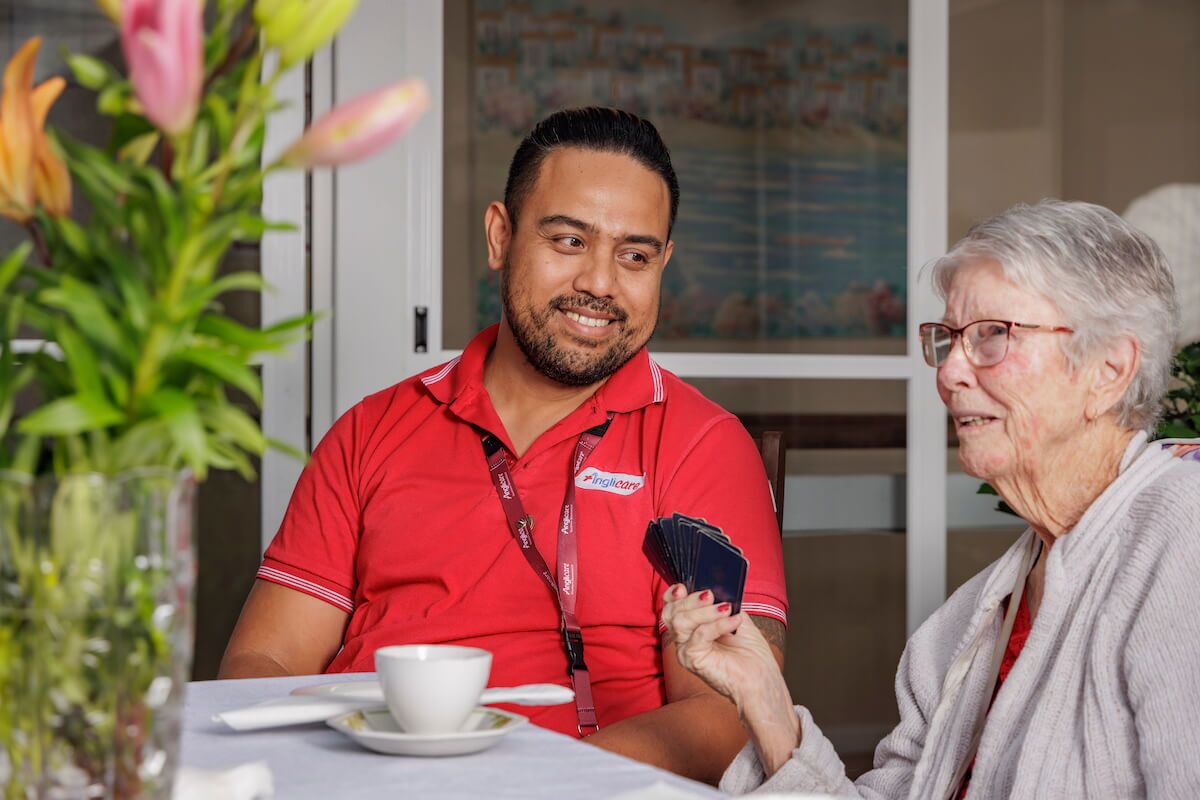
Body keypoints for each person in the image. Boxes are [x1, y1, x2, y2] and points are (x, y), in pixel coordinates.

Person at [219, 107, 789, 784]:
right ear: (500, 236)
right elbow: (262, 667)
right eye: (569, 242)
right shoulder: (370, 431)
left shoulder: (703, 445)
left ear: (663, 263)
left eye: (634, 255)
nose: (601, 284)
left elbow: (727, 715)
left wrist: (526, 785)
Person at [663, 199, 1200, 798]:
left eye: (994, 335)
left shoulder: (1183, 537)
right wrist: (765, 703)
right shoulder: (969, 621)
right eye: (948, 339)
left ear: (1109, 369)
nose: (949, 373)